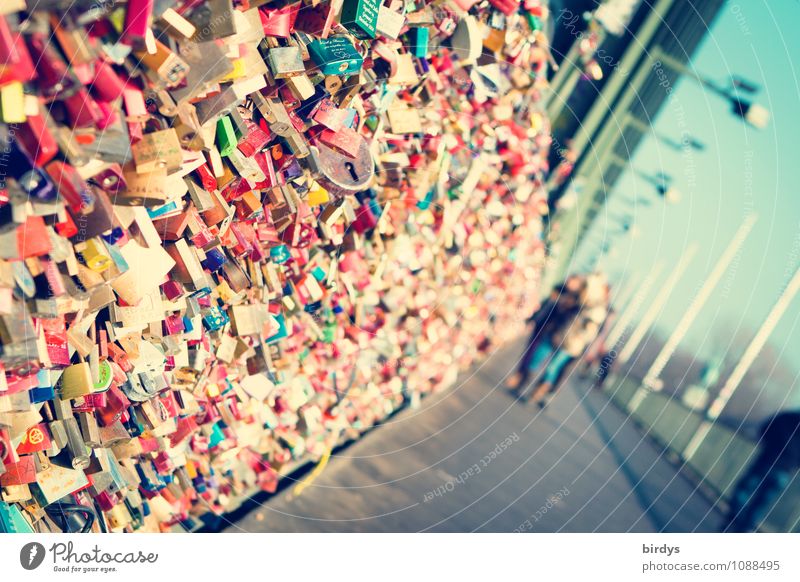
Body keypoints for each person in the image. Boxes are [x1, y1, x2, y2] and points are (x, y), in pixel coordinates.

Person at [523, 273, 609, 407]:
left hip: (572, 344)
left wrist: (581, 338)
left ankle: (539, 393)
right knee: (540, 360)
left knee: (553, 367)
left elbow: (590, 332)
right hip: (559, 336)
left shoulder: (596, 309)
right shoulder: (576, 298)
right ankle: (532, 387)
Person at [723, 410, 800, 532]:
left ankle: (735, 517)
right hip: (784, 472)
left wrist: (770, 446)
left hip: (766, 461)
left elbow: (764, 429)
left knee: (743, 491)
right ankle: (744, 529)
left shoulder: (785, 417)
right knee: (760, 504)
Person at [506, 274, 585, 392]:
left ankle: (521, 383)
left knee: (536, 358)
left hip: (551, 333)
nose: (570, 283)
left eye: (574, 282)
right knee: (529, 354)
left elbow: (565, 319)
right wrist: (533, 319)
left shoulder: (575, 302)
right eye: (570, 280)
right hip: (542, 327)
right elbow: (545, 306)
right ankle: (518, 379)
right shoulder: (559, 290)